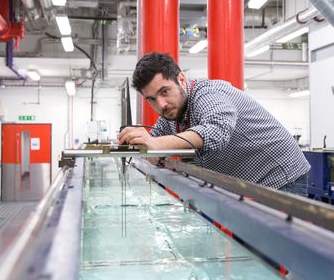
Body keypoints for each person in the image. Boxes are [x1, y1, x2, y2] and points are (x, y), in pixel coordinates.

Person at [118, 52, 310, 193]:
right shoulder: (171, 115)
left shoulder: (209, 93)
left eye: (165, 91)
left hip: (282, 179)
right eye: (151, 99)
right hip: (245, 187)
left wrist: (156, 145)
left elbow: (216, 131)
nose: (161, 104)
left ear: (181, 79)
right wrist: (135, 141)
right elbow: (155, 139)